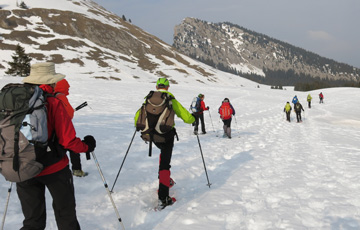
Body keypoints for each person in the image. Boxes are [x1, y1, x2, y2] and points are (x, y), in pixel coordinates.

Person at [17, 62, 96, 230]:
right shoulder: (53, 102)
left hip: (22, 166)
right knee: (65, 215)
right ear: (50, 82)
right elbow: (68, 141)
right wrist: (87, 147)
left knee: (32, 221)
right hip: (54, 168)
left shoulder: (14, 100)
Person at [135, 77, 195, 208]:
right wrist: (193, 119)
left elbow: (138, 116)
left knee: (163, 157)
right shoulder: (170, 100)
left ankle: (165, 180)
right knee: (165, 164)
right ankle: (163, 197)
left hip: (150, 135)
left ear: (157, 87)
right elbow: (185, 116)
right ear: (167, 87)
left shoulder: (148, 99)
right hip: (166, 136)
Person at [54, 79, 88, 177]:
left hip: (51, 131)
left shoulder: (49, 95)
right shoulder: (61, 96)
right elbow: (69, 113)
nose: (68, 89)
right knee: (73, 148)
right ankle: (76, 170)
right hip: (63, 130)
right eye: (67, 87)